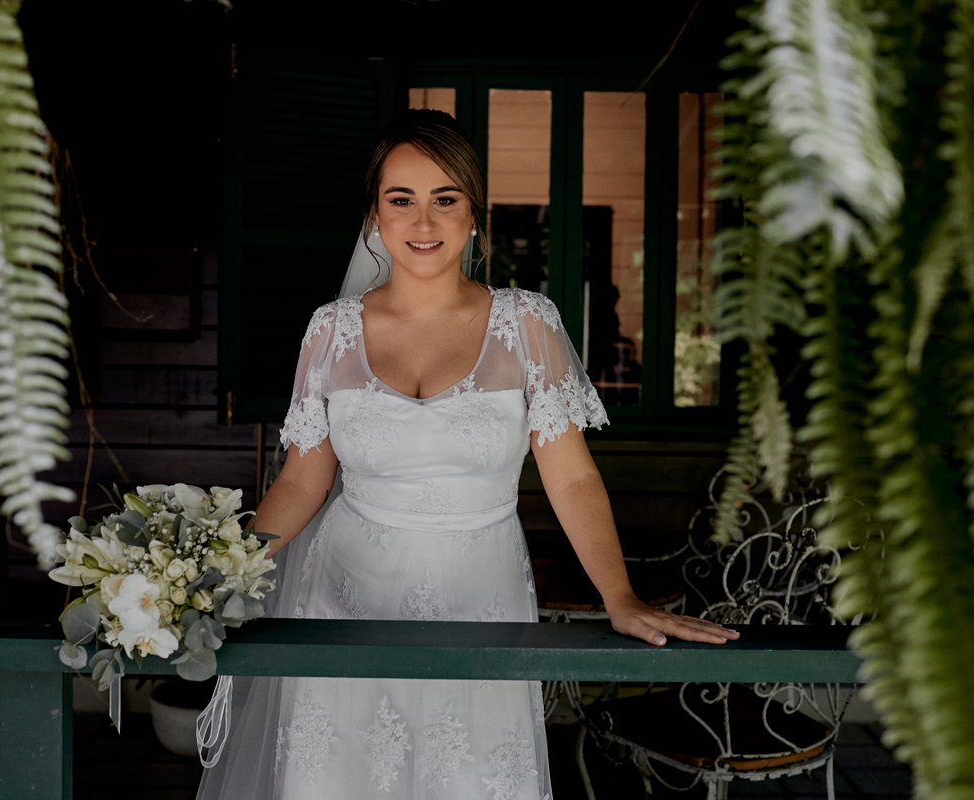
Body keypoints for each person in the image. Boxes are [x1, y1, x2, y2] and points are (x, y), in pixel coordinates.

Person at [195, 109, 738, 800]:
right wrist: (219, 577)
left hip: (479, 591)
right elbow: (303, 480)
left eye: (445, 199)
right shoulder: (330, 332)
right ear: (376, 217)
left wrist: (619, 595)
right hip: (344, 597)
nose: (424, 222)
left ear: (474, 215)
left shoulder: (527, 323)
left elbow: (571, 477)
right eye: (403, 200)